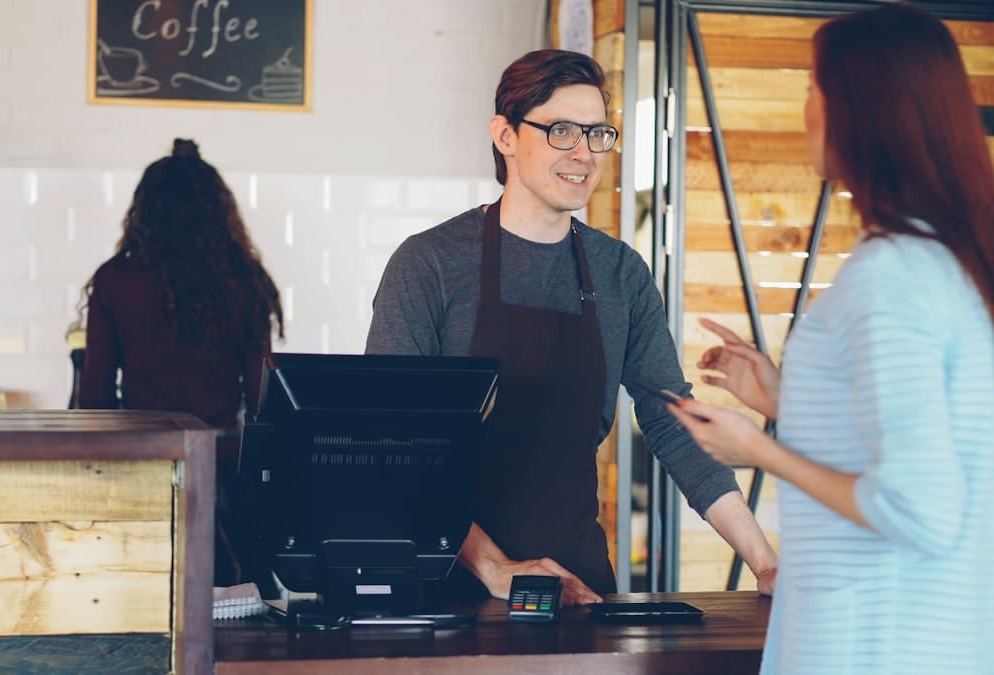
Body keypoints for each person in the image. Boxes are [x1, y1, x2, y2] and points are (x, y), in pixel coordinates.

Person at [365, 49, 778, 605]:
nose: (584, 154)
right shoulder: (430, 264)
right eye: (561, 131)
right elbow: (394, 443)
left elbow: (674, 424)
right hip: (445, 591)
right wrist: (495, 568)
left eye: (598, 134)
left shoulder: (620, 273)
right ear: (505, 136)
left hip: (576, 588)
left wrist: (765, 561)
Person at [667, 5, 994, 673]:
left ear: (859, 108)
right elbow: (921, 446)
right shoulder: (949, 263)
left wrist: (756, 447)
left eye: (813, 85)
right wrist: (790, 402)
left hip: (874, 640)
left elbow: (920, 507)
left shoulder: (892, 276)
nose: (805, 107)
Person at [77, 138, 284, 428]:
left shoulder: (116, 278)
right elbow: (260, 396)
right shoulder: (243, 278)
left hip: (143, 455)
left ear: (144, 210)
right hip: (220, 454)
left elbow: (96, 394)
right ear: (218, 211)